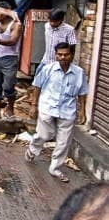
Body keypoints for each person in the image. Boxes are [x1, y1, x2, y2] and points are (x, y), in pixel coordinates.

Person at [25, 43, 88, 183]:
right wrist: (34, 106)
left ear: (72, 55)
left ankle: (55, 168)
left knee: (64, 142)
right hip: (48, 107)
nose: (63, 57)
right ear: (56, 55)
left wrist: (83, 111)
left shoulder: (79, 73)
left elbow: (83, 93)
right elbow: (37, 86)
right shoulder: (48, 69)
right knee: (45, 134)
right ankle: (33, 149)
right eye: (60, 54)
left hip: (68, 110)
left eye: (66, 54)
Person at [36, 9, 77, 76]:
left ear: (61, 20)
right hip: (45, 61)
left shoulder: (69, 30)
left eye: (55, 21)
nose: (52, 23)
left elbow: (72, 48)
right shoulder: (47, 26)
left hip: (59, 64)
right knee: (37, 80)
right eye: (51, 21)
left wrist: (67, 64)